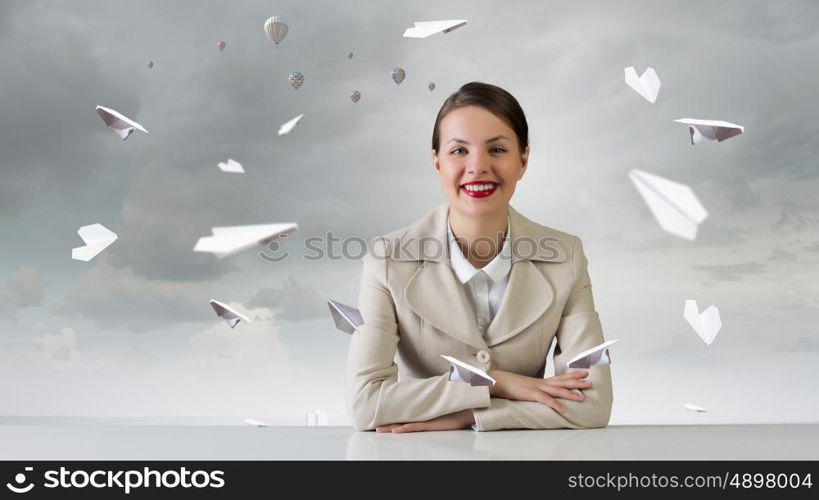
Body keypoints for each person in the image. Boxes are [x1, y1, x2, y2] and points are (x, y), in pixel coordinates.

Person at [345, 82, 613, 432]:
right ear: (436, 161)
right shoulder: (387, 259)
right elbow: (366, 405)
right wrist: (496, 382)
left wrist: (469, 415)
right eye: (459, 151)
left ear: (523, 160)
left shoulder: (566, 256)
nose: (478, 166)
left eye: (497, 149)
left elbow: (593, 406)